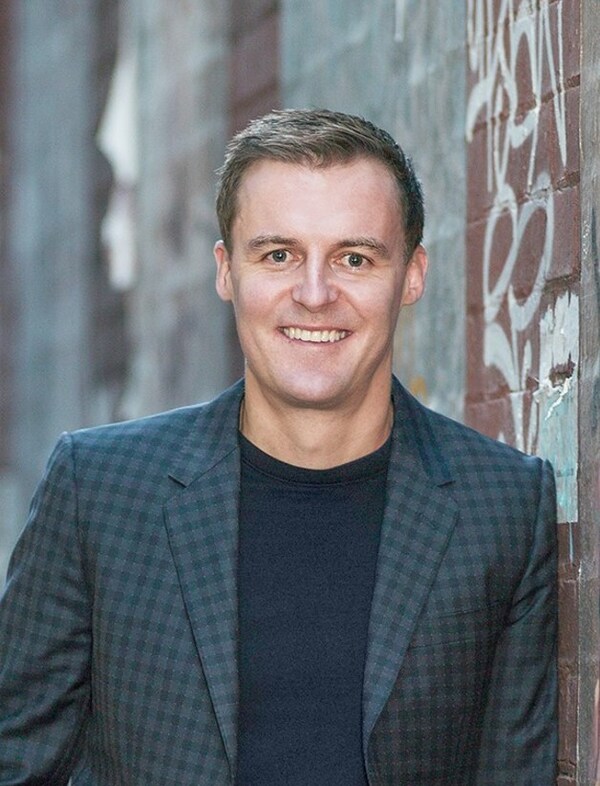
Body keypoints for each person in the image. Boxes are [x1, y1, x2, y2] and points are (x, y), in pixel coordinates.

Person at [0, 109, 557, 785]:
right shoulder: (99, 490)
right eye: (278, 255)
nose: (314, 294)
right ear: (226, 271)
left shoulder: (503, 506)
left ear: (412, 275)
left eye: (354, 258)